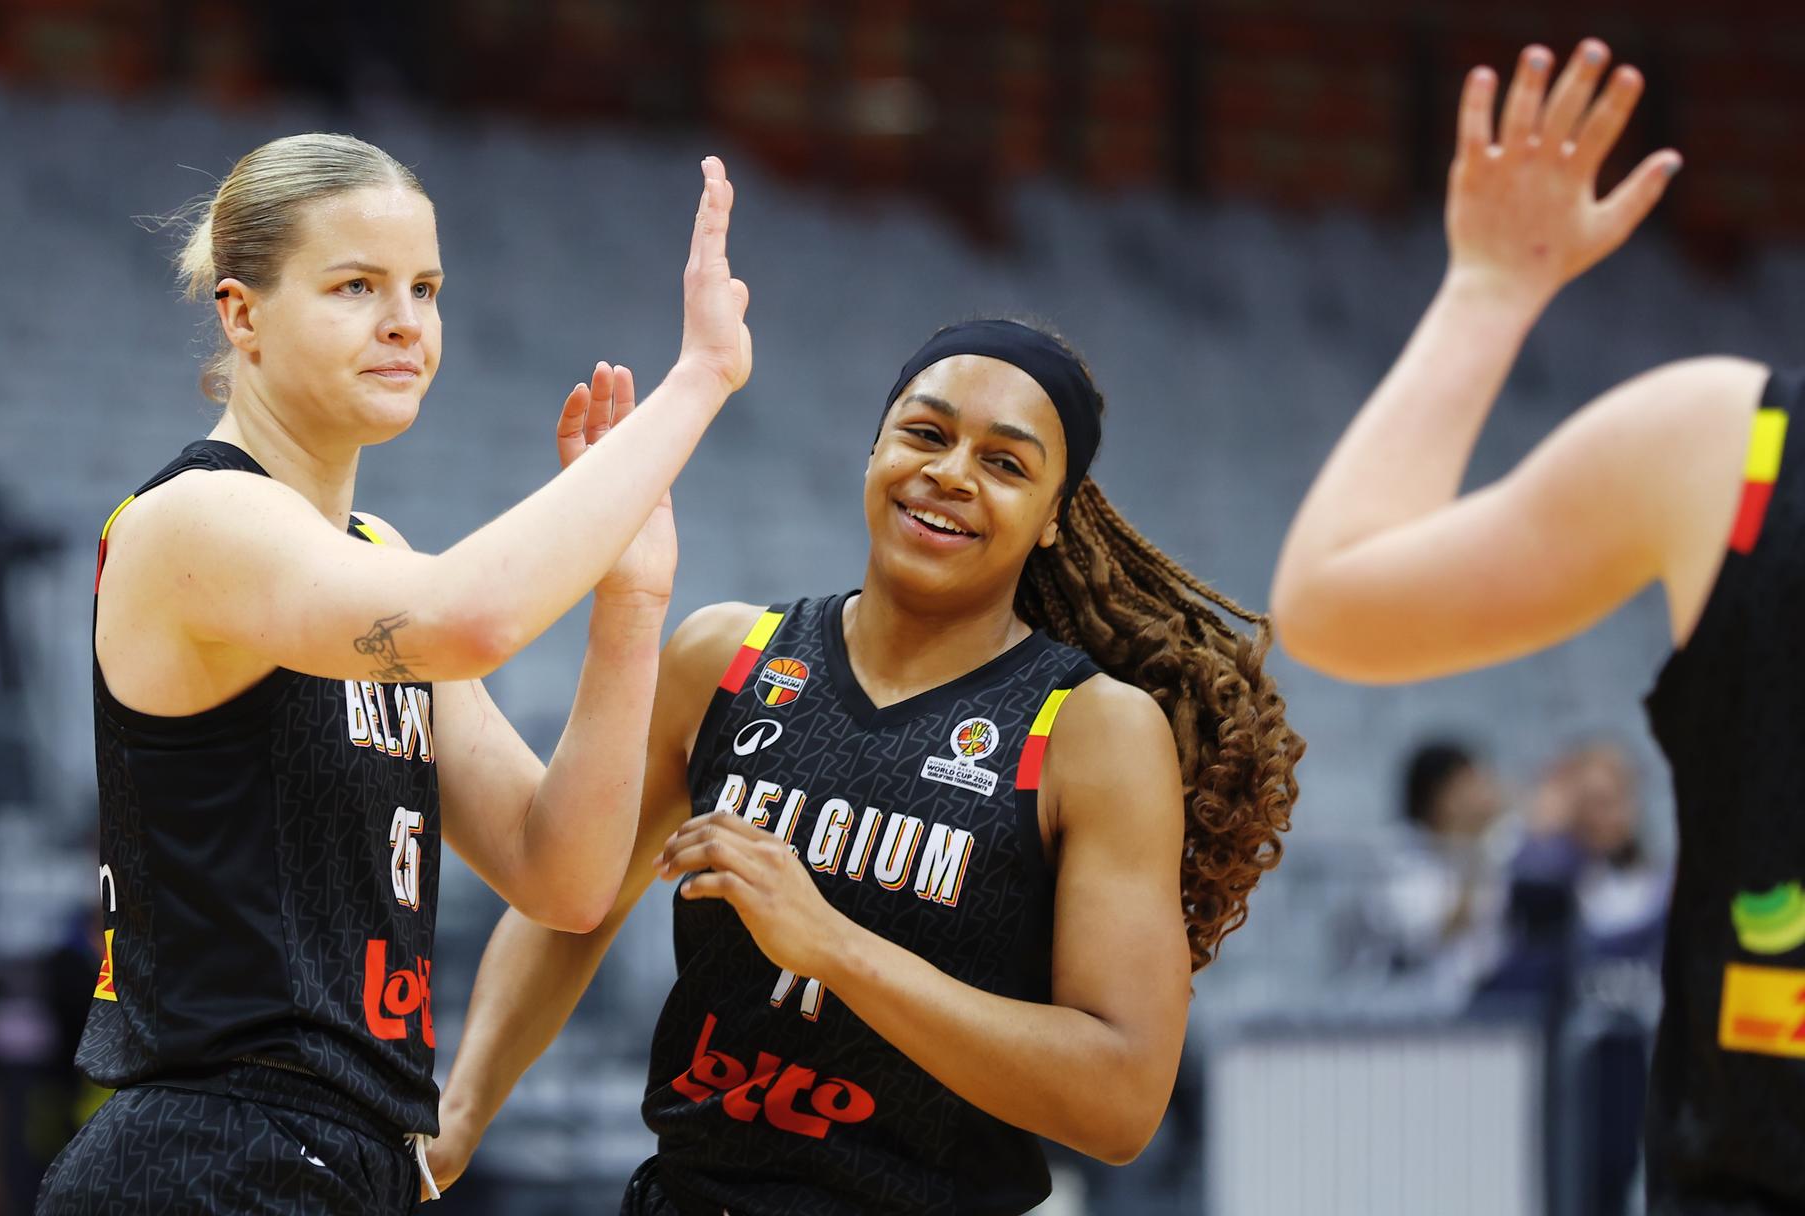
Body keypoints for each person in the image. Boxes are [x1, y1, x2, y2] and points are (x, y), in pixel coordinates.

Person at [429, 318, 1302, 1214]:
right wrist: (461, 1112)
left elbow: (1121, 1103)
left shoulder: (1092, 731)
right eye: (925, 433)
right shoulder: (726, 655)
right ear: (874, 448)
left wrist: (835, 947)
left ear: (1052, 520)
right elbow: (576, 905)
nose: (952, 472)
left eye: (1006, 463)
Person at [34, 136, 753, 1214]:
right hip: (210, 1145)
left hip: (349, 1151)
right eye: (355, 286)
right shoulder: (194, 519)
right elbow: (471, 620)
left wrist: (629, 601)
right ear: (243, 315)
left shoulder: (380, 556)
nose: (406, 321)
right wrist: (697, 383)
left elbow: (562, 874)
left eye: (426, 287)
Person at [1271, 36, 1801, 1212]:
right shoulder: (1728, 446)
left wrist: (1490, 291)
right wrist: (1487, 290)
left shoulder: (1725, 441)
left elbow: (1330, 601)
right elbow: (1331, 604)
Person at [1345, 739, 1509, 1005]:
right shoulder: (1396, 857)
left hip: (1482, 1007)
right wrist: (1474, 854)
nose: (1484, 794)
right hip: (1409, 1012)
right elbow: (1435, 934)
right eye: (1471, 784)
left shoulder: (1496, 845)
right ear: (1443, 795)